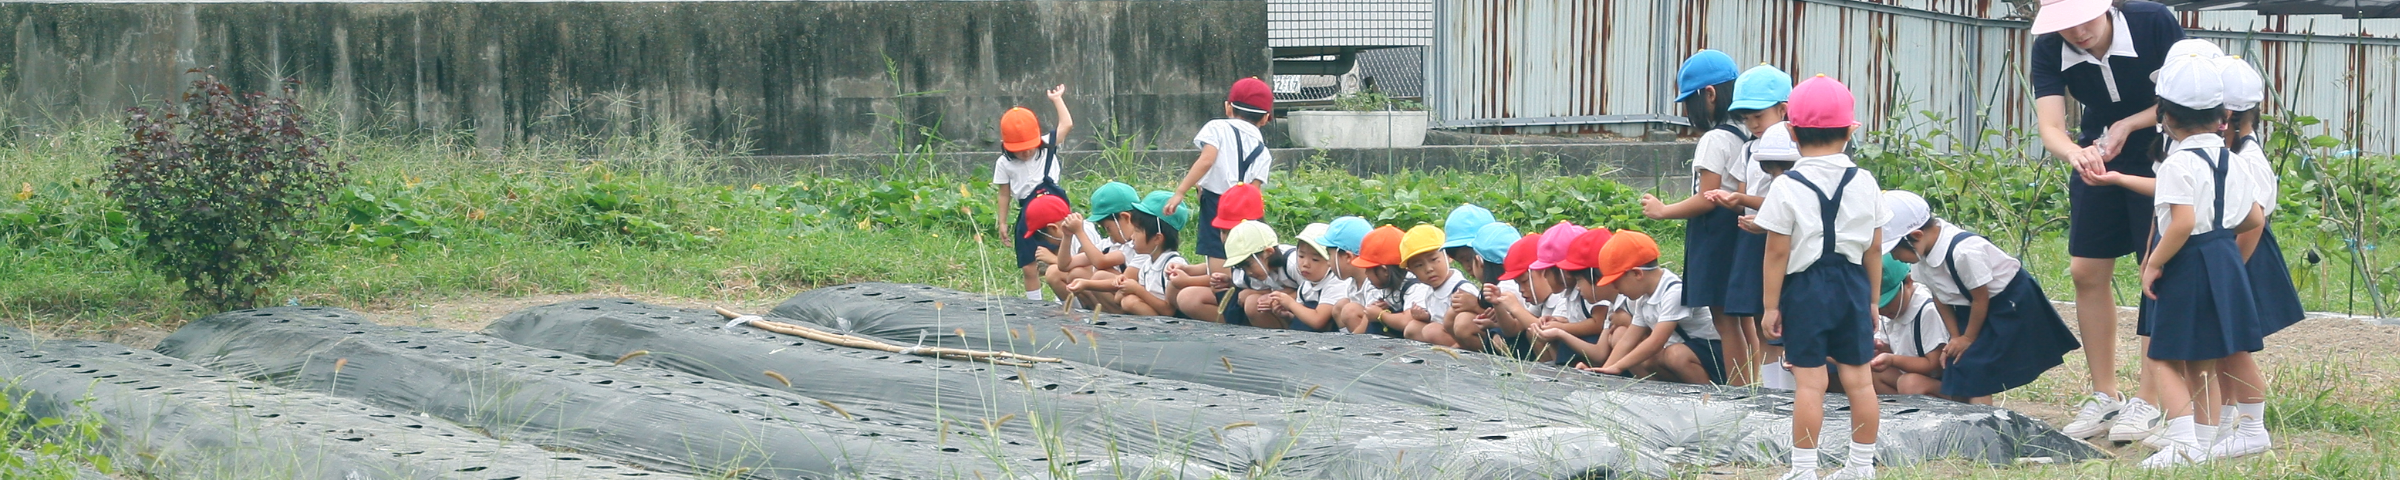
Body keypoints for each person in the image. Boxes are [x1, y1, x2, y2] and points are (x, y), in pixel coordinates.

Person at [2091, 51, 2265, 467]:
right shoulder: (2233, 160)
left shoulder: (2177, 162)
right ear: (2223, 116)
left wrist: (2153, 262)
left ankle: (2185, 439)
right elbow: (2253, 217)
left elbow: (2182, 222)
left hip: (2189, 260)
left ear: (2164, 118)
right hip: (2224, 255)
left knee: (2164, 355)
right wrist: (2223, 248)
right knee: (2216, 352)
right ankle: (2233, 435)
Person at [2029, 0, 2188, 441]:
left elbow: (2186, 97)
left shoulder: (2151, 21)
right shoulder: (2047, 48)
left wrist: (2129, 125)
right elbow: (2050, 126)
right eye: (2065, 26)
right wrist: (2077, 154)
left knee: (2153, 269)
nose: (2077, 32)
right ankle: (2106, 395)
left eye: (2084, 19)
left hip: (2163, 153)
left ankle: (2149, 399)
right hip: (2098, 155)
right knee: (2085, 271)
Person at [1756, 75, 1886, 480]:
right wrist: (1872, 300)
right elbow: (1875, 248)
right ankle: (1861, 467)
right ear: (1851, 131)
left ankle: (1804, 470)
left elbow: (1777, 250)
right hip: (1852, 283)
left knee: (1809, 384)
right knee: (1860, 382)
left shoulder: (1786, 185)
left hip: (1805, 287)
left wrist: (1770, 305)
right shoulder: (1865, 181)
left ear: (1792, 133)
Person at [1884, 190, 2082, 405]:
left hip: (2008, 301)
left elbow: (1981, 298)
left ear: (1916, 236)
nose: (1895, 257)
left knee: (1976, 368)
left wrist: (1967, 339)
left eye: (1895, 250)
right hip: (1967, 305)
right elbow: (1940, 296)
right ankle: (1963, 420)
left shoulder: (1964, 252)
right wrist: (1955, 337)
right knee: (1958, 363)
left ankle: (1983, 425)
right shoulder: (1920, 259)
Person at [1641, 50, 1748, 387]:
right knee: (1743, 319)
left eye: (1690, 103)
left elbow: (1708, 198)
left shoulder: (1714, 139)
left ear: (1710, 94)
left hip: (1715, 234)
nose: (1688, 112)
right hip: (1738, 231)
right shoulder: (1743, 133)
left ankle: (1738, 388)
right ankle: (1754, 384)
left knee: (1724, 318)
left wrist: (1664, 211)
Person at [2210, 55, 2286, 459]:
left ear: (2227, 115)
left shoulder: (2247, 160)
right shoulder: (2229, 152)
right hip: (2228, 256)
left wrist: (2229, 273)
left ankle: (2253, 428)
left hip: (2240, 257)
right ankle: (2222, 423)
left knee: (2234, 345)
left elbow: (2253, 223)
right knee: (2220, 344)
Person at [1708, 63, 1795, 387]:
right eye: (1747, 117)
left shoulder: (1793, 149)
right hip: (1751, 238)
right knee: (1760, 320)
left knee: (1781, 321)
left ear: (1783, 109)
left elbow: (1788, 204)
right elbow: (1746, 194)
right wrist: (1737, 201)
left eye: (1759, 115)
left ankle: (1789, 390)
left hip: (1779, 238)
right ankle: (1769, 389)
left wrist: (1745, 203)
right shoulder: (1747, 149)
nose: (1753, 124)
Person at [1577, 231, 1726, 385]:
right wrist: (1604, 372)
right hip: (1683, 355)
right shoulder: (1644, 297)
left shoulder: (1674, 292)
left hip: (1712, 355)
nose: (1614, 287)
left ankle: (1708, 397)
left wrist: (1618, 366)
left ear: (1637, 273)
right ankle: (1664, 395)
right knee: (1649, 357)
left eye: (1616, 281)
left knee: (1675, 355)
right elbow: (1629, 339)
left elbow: (1656, 341)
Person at [1164, 77, 1276, 273]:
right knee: (1243, 253)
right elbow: (1255, 190)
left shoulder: (1217, 128)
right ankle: (1238, 288)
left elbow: (1207, 160)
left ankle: (1220, 292)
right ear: (1266, 118)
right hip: (1245, 208)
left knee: (1217, 252)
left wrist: (1180, 191)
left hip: (1217, 202)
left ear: (1228, 108)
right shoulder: (1263, 150)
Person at [991, 85, 1076, 301]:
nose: (1026, 152)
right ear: (1006, 146)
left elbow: (1066, 124)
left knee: (1063, 257)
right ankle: (1034, 306)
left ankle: (1064, 301)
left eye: (1030, 146)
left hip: (1056, 210)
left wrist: (1057, 99)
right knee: (1029, 265)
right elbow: (1004, 193)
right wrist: (1002, 221)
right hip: (1029, 215)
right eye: (1019, 149)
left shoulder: (1047, 145)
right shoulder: (1004, 163)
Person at [1074, 191, 1194, 317]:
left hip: (1174, 323)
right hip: (1156, 313)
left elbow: (1169, 311)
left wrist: (1136, 289)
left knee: (1130, 302)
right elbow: (1118, 298)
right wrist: (1124, 285)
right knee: (1127, 300)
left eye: (1137, 231)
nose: (1132, 236)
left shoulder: (1172, 266)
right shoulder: (1148, 264)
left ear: (1157, 238)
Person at [1177, 184, 1266, 323]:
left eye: (1228, 231)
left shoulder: (1266, 253)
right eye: (1222, 231)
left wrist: (1188, 281)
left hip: (1261, 303)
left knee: (1252, 303)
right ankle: (1235, 327)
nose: (1224, 238)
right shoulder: (1231, 247)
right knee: (1188, 298)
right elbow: (1228, 273)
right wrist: (1190, 270)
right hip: (1239, 298)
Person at [1043, 182, 1138, 310]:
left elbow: (1100, 262)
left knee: (1099, 275)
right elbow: (1064, 265)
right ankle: (1096, 313)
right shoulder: (1109, 244)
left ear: (1126, 218)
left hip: (1133, 297)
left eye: (1108, 228)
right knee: (1076, 273)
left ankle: (1117, 316)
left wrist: (1079, 232)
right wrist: (1067, 235)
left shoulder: (1137, 244)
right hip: (1115, 294)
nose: (1108, 233)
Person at [1868, 256, 1948, 396]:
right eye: (1879, 305)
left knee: (1909, 383)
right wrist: (1880, 349)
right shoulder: (1887, 314)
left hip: (1937, 382)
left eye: (1889, 301)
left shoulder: (1927, 310)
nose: (1884, 310)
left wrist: (1892, 359)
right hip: (1907, 376)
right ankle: (1896, 411)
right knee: (1874, 372)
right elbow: (1892, 348)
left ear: (1909, 282)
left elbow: (1933, 365)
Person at [1217, 220, 1305, 329]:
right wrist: (1229, 282)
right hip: (1287, 311)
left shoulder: (1295, 264)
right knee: (1251, 301)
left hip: (1313, 309)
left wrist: (1280, 299)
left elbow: (1311, 291)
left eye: (1248, 265)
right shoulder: (1250, 275)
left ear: (1268, 252)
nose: (1248, 272)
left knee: (1254, 302)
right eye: (1241, 267)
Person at [1264, 222, 1351, 332]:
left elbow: (1317, 321)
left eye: (1315, 259)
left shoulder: (1335, 282)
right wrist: (1287, 315)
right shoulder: (1306, 284)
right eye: (1301, 256)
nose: (1305, 264)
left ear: (1330, 261)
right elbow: (1303, 320)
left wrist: (1290, 303)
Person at [1453, 222, 1524, 353]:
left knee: (1466, 324)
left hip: (1520, 344)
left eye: (1470, 259)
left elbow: (1513, 329)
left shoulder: (1504, 288)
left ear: (1479, 261)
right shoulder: (1513, 282)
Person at [1482, 231, 1549, 361]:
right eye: (1518, 284)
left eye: (1524, 282)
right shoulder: (1540, 302)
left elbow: (1544, 332)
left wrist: (1516, 308)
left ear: (1545, 272)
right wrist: (1498, 305)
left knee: (1532, 333)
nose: (1521, 290)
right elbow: (1512, 330)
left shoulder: (1560, 298)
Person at [1349, 225, 1413, 337]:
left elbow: (1407, 321)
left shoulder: (1414, 286)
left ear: (1384, 270)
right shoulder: (1385, 285)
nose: (1366, 274)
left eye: (1368, 269)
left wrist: (1381, 315)